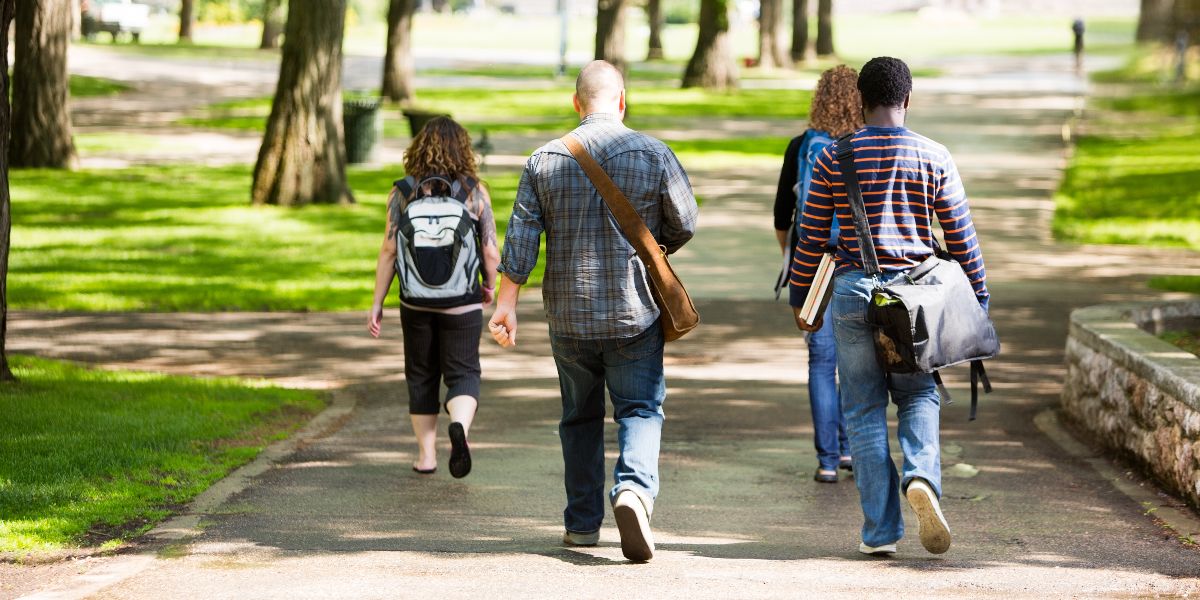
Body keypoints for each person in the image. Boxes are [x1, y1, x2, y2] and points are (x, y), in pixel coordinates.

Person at [488, 60, 698, 562]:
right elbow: (685, 221)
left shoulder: (543, 161)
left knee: (578, 418)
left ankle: (582, 525)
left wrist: (506, 306)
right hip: (635, 310)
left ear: (576, 103)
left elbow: (520, 240)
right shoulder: (654, 153)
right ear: (622, 100)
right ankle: (633, 492)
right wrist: (651, 245)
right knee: (641, 408)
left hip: (569, 315)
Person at [790, 57, 990, 556]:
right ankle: (921, 476)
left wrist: (802, 299)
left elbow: (810, 238)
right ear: (908, 99)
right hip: (915, 299)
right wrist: (978, 299)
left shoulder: (833, 157)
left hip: (854, 292)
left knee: (861, 409)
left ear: (861, 101)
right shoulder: (934, 155)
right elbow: (963, 241)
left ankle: (880, 532)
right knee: (917, 394)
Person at [368, 116, 500, 480]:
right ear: (463, 149)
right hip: (462, 299)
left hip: (415, 301)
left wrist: (378, 302)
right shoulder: (474, 191)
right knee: (464, 372)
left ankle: (426, 455)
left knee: (421, 374)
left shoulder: (402, 192)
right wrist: (490, 287)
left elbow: (389, 251)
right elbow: (490, 251)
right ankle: (459, 426)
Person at [773, 65, 862, 484]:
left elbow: (781, 215)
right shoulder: (867, 145)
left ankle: (827, 459)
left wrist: (794, 261)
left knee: (821, 361)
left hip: (814, 265)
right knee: (858, 360)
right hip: (858, 265)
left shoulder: (800, 146)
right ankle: (849, 450)